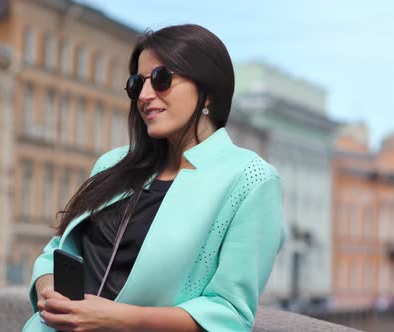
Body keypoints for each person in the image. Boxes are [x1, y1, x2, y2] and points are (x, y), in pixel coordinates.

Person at [22, 24, 286, 332]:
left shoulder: (251, 180)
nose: (145, 95)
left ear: (209, 92)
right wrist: (48, 287)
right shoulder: (114, 163)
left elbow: (228, 314)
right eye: (137, 84)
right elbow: (57, 251)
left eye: (162, 79)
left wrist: (113, 318)